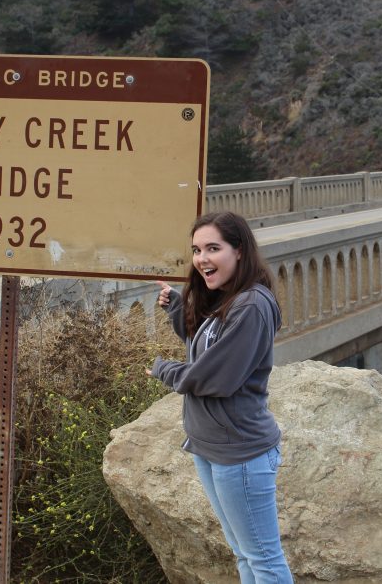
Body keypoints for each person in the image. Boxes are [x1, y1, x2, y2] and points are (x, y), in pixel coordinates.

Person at [148, 211, 293, 584]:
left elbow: (216, 377)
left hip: (240, 453)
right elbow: (208, 350)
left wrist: (165, 370)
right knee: (245, 556)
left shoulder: (252, 305)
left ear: (240, 250)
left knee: (263, 560)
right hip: (212, 448)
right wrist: (179, 313)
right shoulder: (230, 300)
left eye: (213, 248)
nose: (202, 259)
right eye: (197, 250)